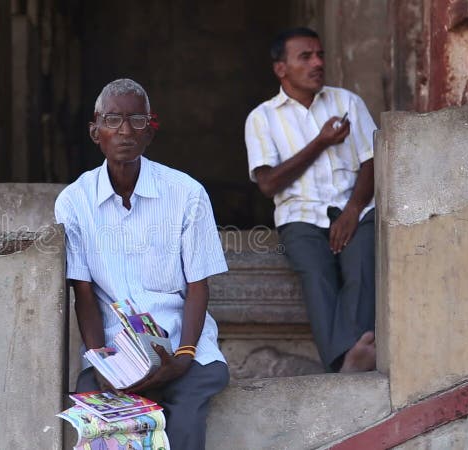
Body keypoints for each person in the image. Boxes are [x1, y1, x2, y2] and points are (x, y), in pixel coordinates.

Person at [55, 78, 229, 449]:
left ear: (151, 131)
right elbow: (83, 294)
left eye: (137, 120)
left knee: (184, 423)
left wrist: (183, 358)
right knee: (104, 427)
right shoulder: (74, 202)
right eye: (113, 120)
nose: (124, 131)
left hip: (182, 349)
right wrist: (103, 362)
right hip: (117, 356)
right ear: (94, 131)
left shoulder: (187, 194)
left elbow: (199, 285)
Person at [244, 27, 377, 373]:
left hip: (357, 208)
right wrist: (320, 142)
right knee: (317, 275)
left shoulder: (347, 102)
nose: (318, 63)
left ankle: (347, 360)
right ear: (281, 68)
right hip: (299, 217)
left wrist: (352, 210)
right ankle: (348, 362)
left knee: (361, 265)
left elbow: (372, 161)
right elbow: (268, 183)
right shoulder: (262, 118)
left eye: (320, 55)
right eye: (306, 56)